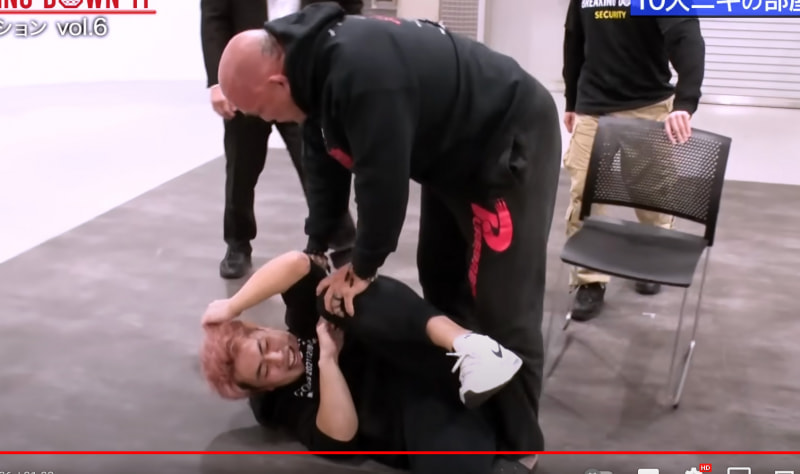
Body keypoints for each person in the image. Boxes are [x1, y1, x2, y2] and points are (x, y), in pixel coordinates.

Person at [215, 4, 563, 460]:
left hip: (505, 138)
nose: (265, 121)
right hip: (450, 156)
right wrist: (318, 244)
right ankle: (476, 387)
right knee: (439, 275)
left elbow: (381, 180)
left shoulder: (359, 73)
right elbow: (325, 160)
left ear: (277, 83)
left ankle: (520, 447)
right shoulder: (310, 72)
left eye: (261, 111)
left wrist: (363, 266)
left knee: (505, 304)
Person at [200, 250, 536, 474]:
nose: (278, 356)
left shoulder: (303, 321)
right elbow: (339, 439)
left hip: (434, 360)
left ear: (261, 328)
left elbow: (296, 264)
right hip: (419, 418)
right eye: (265, 370)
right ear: (264, 388)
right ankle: (509, 448)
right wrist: (328, 360)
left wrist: (233, 305)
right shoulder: (281, 405)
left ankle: (469, 345)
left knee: (335, 294)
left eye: (265, 345)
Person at [561, 0, 705, 320]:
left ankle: (652, 258)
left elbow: (686, 36)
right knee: (584, 192)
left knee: (652, 193)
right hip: (593, 105)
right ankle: (589, 279)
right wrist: (571, 99)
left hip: (648, 104)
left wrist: (685, 102)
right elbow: (574, 39)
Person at [200, 0, 361, 279]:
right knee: (241, 169)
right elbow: (214, 17)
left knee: (318, 164)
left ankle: (341, 239)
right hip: (247, 73)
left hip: (304, 73)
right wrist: (218, 81)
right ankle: (238, 243)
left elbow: (350, 6)